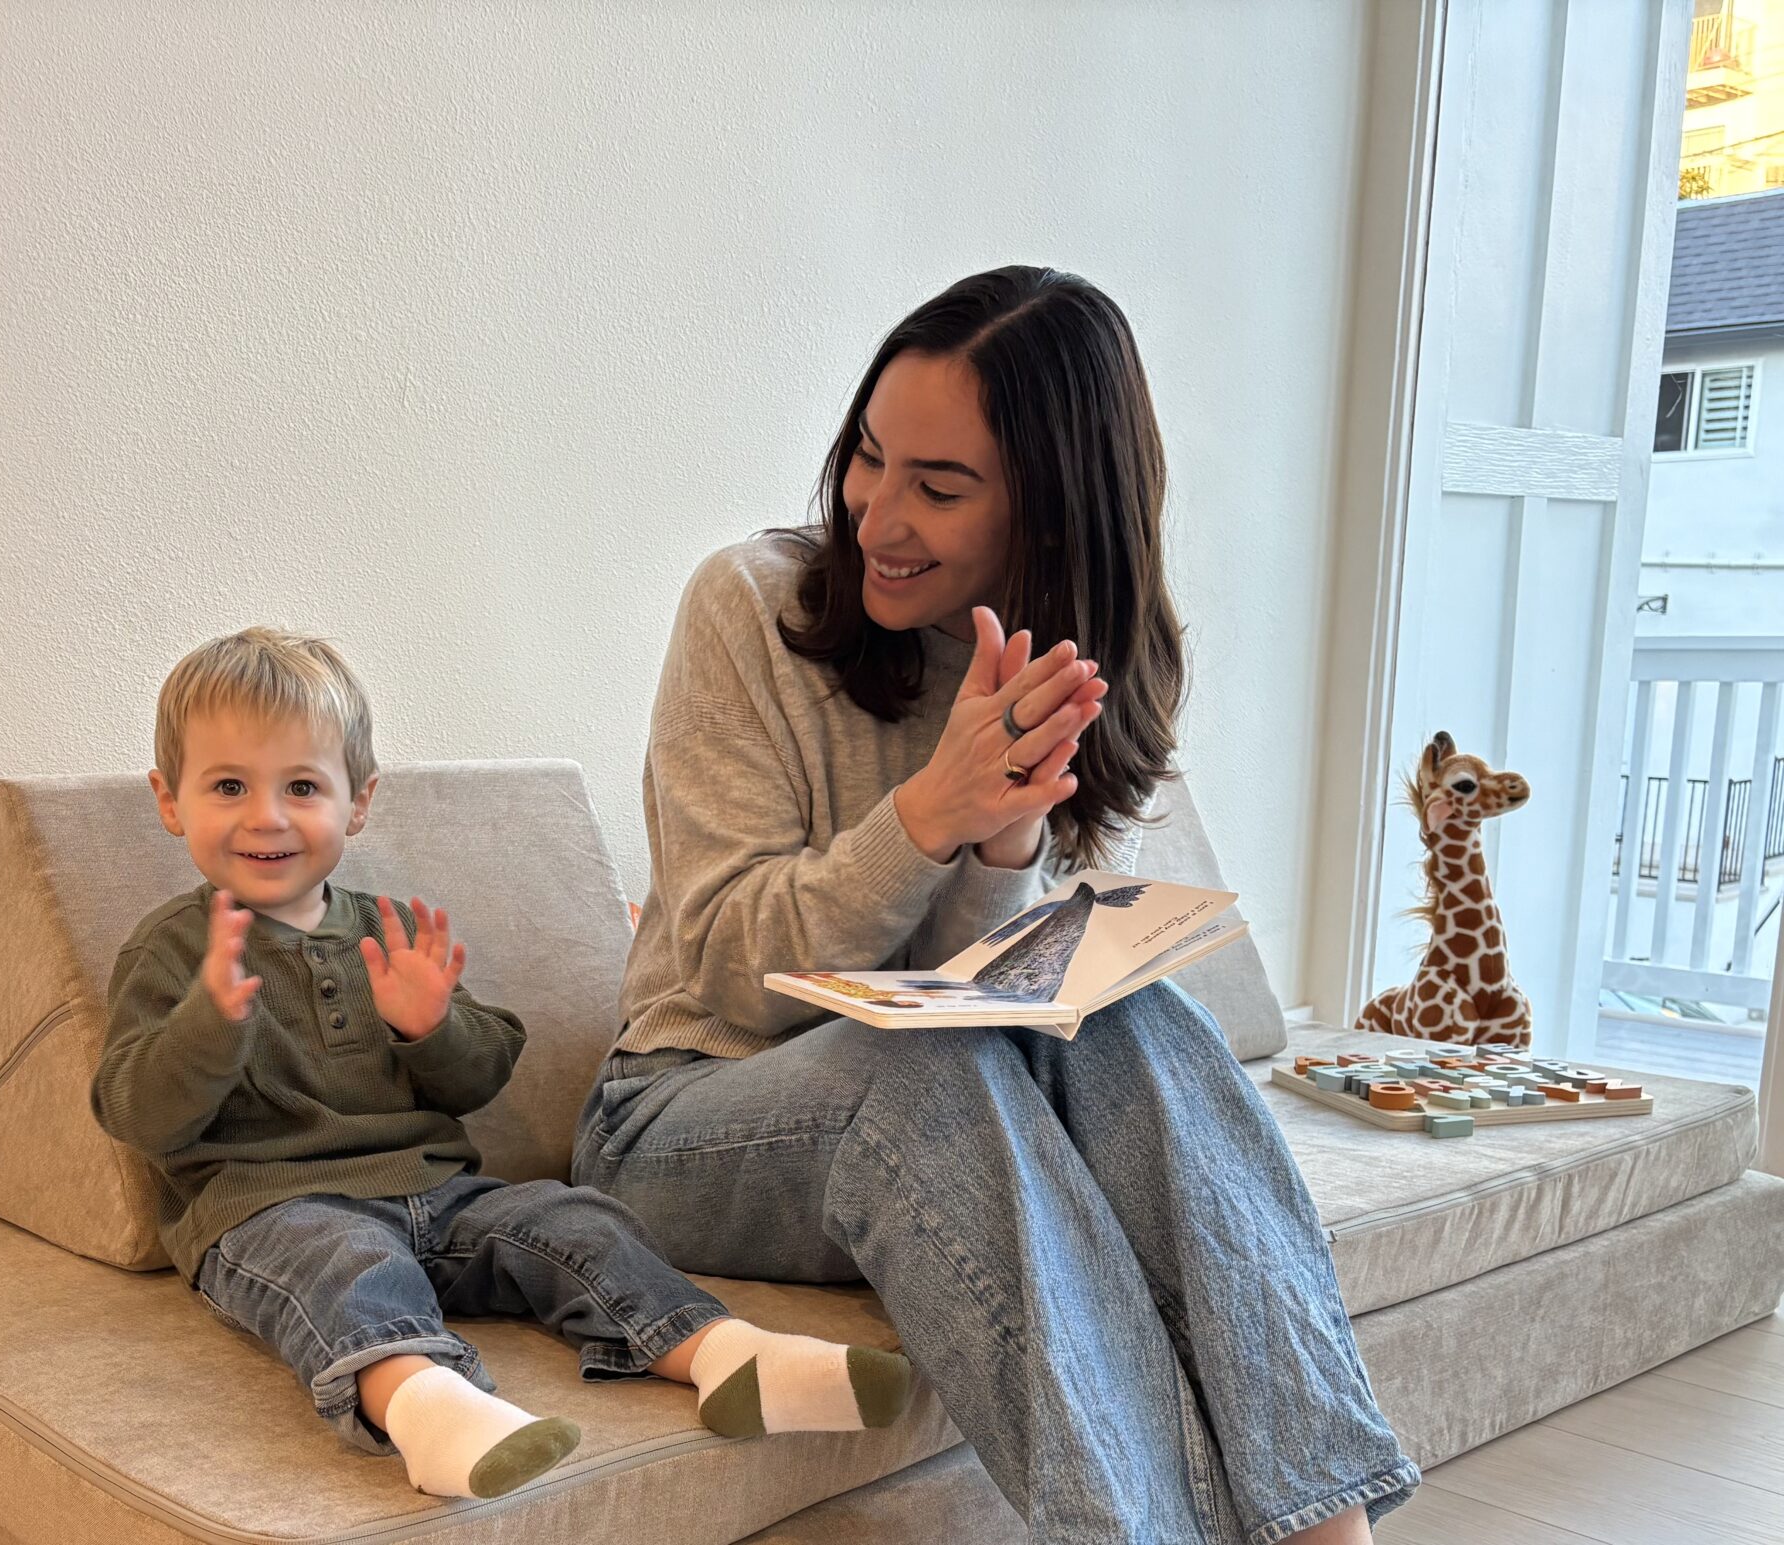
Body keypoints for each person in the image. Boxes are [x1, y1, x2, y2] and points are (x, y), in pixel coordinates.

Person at [572, 267, 1421, 1544]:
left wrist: (1005, 842)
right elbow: (734, 973)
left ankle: (1327, 1530)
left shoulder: (1054, 658)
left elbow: (969, 1002)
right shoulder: (745, 608)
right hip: (687, 1111)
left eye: (939, 486)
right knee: (922, 1083)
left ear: (1048, 511)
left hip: (926, 1091)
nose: (878, 514)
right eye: (869, 457)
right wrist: (927, 815)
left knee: (1140, 1021)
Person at [90, 627, 912, 1501]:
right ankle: (428, 1405)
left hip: (437, 1194)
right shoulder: (174, 950)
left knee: (570, 1219)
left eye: (302, 786)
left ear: (358, 801)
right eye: (229, 786)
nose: (267, 815)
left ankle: (725, 1355)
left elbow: (484, 1072)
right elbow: (137, 1115)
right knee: (347, 1264)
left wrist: (430, 1025)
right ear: (170, 800)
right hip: (270, 1208)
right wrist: (208, 1024)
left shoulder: (391, 930)